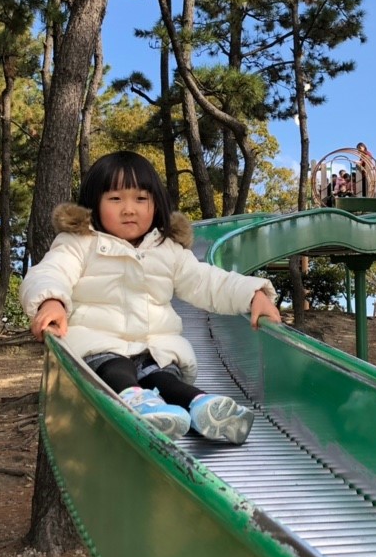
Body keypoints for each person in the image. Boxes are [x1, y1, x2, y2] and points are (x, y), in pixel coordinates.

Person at [20, 151, 282, 445]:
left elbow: (207, 281)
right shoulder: (79, 243)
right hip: (97, 345)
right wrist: (51, 301)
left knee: (163, 377)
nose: (129, 209)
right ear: (94, 204)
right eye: (115, 199)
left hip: (154, 347)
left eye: (141, 199)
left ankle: (203, 407)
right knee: (115, 366)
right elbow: (51, 271)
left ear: (156, 204)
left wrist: (252, 294)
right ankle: (137, 403)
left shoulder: (168, 249)